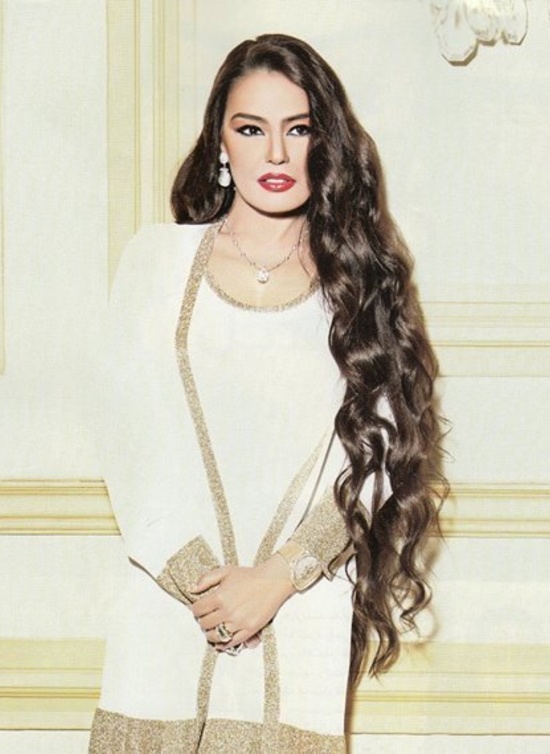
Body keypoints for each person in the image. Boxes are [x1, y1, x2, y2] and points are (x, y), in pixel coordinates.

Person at [89, 33, 446, 753]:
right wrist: (206, 589)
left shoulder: (363, 281)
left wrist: (278, 580)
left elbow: (379, 458)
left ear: (326, 142)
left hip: (301, 615)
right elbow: (126, 439)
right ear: (220, 142)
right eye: (251, 129)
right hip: (166, 620)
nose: (276, 154)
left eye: (299, 129)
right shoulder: (155, 263)